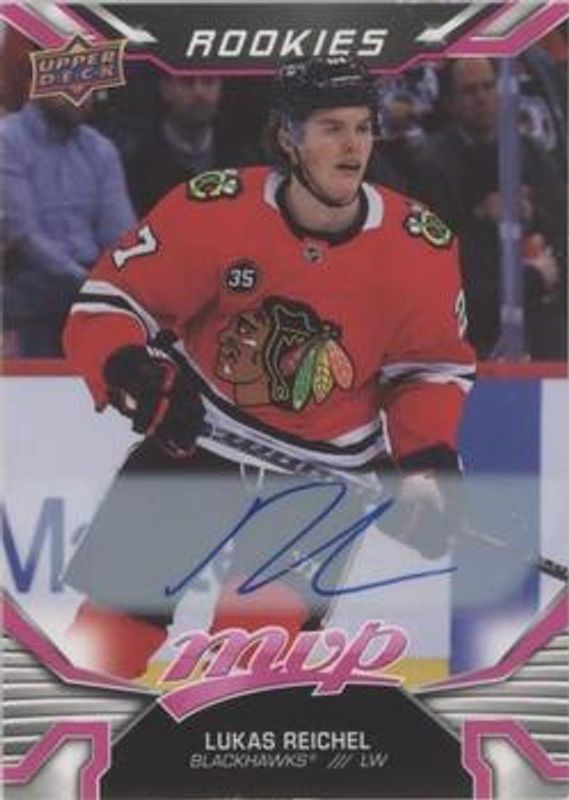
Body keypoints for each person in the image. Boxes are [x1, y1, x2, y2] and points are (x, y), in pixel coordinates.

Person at [62, 55, 475, 680]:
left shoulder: (420, 247)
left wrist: (426, 464)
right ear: (287, 137)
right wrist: (130, 371)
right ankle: (66, 733)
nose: (353, 146)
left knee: (250, 655)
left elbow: (429, 370)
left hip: (325, 475)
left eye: (363, 128)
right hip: (197, 435)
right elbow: (108, 306)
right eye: (331, 128)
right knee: (113, 626)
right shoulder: (213, 209)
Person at [410, 58, 566, 359]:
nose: (481, 97)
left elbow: (560, 216)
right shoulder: (432, 164)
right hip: (472, 315)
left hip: (543, 307)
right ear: (450, 102)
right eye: (469, 90)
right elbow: (434, 246)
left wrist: (532, 213)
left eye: (487, 86)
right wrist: (481, 216)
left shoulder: (530, 151)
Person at [1, 97, 136, 356]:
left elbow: (120, 235)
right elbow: (22, 233)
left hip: (90, 282)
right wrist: (87, 282)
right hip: (26, 278)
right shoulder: (8, 139)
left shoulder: (101, 149)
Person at [125, 75, 258, 217]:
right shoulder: (137, 162)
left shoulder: (243, 158)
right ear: (165, 89)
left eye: (208, 82)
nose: (199, 93)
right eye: (187, 82)